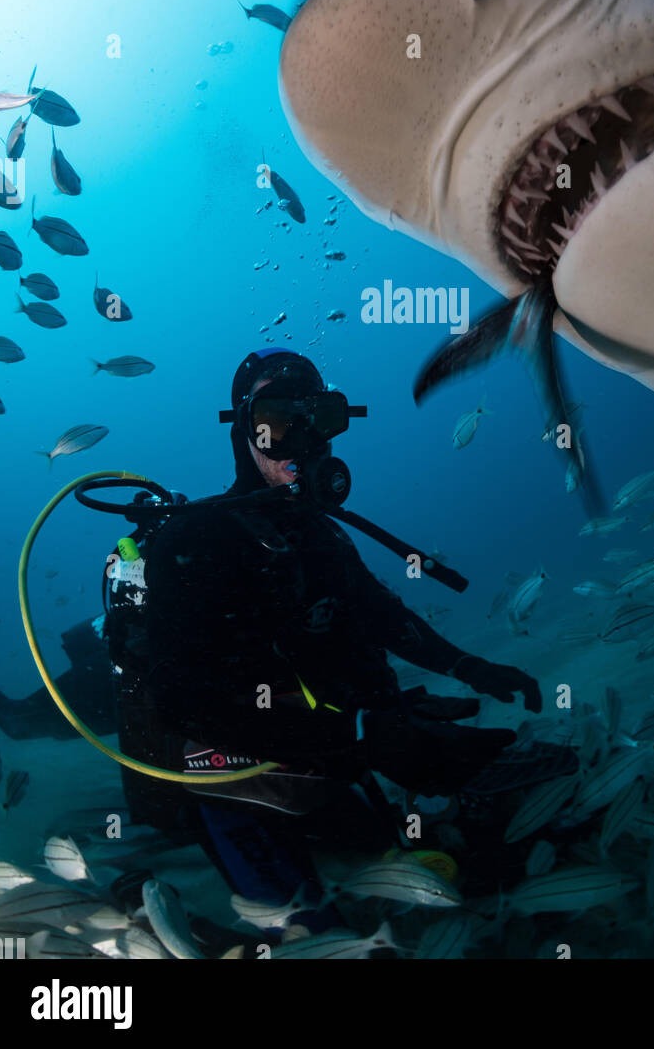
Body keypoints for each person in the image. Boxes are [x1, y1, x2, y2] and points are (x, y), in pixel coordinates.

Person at [129, 346, 543, 925]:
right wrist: (364, 734)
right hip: (229, 779)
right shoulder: (197, 539)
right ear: (245, 431)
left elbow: (376, 610)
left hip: (319, 756)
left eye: (321, 417)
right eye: (277, 420)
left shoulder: (323, 536)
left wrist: (466, 666)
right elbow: (181, 702)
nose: (304, 440)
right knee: (313, 930)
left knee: (434, 871)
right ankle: (138, 892)